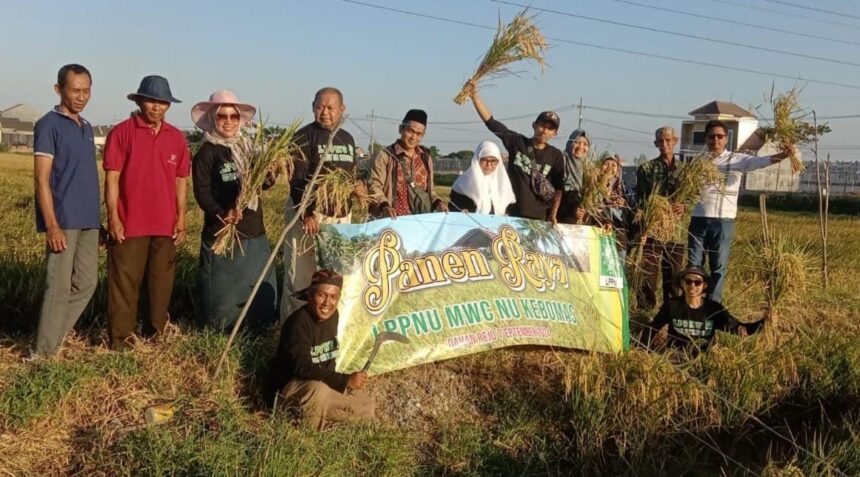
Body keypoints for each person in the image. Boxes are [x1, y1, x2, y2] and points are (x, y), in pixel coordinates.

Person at [103, 75, 190, 350]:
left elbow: (180, 181)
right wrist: (114, 217)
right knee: (124, 284)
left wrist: (182, 218)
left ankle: (156, 334)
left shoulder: (176, 138)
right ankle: (121, 340)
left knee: (160, 284)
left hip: (165, 225)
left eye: (163, 102)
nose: (157, 107)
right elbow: (112, 179)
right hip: (130, 223)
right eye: (152, 100)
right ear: (140, 101)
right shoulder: (122, 132)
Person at [191, 90, 277, 332]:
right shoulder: (207, 153)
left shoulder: (248, 149)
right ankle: (221, 331)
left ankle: (260, 327)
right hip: (223, 232)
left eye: (233, 116)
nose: (228, 121)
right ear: (212, 119)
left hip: (252, 229)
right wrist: (223, 212)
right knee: (223, 290)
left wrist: (270, 174)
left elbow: (262, 185)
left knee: (256, 282)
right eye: (222, 117)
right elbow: (202, 193)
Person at [31, 64, 100, 357]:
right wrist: (52, 225)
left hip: (89, 220)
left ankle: (52, 339)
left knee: (87, 284)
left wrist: (100, 221)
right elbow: (41, 179)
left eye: (86, 91)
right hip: (64, 220)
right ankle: (42, 355)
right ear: (59, 90)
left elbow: (85, 176)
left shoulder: (86, 127)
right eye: (75, 90)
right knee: (57, 288)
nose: (81, 97)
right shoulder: (48, 124)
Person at [687, 119, 793, 303]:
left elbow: (762, 161)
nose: (716, 140)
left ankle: (713, 308)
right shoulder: (697, 162)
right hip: (698, 219)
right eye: (711, 136)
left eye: (720, 136)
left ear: (726, 139)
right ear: (706, 139)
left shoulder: (737, 160)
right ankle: (693, 305)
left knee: (718, 267)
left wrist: (784, 154)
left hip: (723, 221)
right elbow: (685, 189)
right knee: (694, 266)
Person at [281, 87, 361, 320]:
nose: (324, 112)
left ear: (342, 110)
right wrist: (306, 213)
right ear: (313, 107)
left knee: (333, 277)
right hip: (309, 217)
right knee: (301, 277)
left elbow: (350, 176)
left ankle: (328, 329)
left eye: (330, 108)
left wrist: (358, 189)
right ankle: (294, 327)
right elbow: (296, 180)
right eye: (319, 107)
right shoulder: (303, 137)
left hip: (339, 219)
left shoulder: (347, 139)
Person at [265, 270, 375, 429]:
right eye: (321, 295)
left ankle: (328, 424)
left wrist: (343, 386)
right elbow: (302, 368)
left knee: (366, 404)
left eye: (333, 297)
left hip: (317, 387)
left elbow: (329, 358)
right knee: (320, 391)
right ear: (310, 295)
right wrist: (344, 380)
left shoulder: (333, 316)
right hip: (289, 390)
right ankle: (306, 440)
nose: (327, 303)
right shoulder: (298, 323)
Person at [464, 80, 565, 223]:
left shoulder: (556, 155)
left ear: (555, 133)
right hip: (512, 215)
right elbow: (492, 123)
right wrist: (474, 96)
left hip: (540, 219)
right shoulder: (517, 143)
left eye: (550, 128)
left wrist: (553, 215)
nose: (544, 130)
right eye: (542, 125)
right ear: (534, 125)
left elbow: (559, 189)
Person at [650, 266, 762, 353]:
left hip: (704, 360)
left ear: (704, 286)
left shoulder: (713, 309)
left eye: (697, 282)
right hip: (675, 359)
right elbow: (651, 330)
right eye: (688, 281)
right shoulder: (671, 306)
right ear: (682, 284)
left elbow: (740, 329)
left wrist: (766, 322)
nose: (692, 286)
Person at [635, 126, 686, 309]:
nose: (664, 144)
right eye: (660, 141)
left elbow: (693, 194)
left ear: (675, 141)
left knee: (673, 276)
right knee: (647, 274)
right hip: (653, 230)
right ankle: (644, 314)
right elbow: (640, 197)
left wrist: (684, 206)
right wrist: (654, 208)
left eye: (668, 140)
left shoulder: (685, 170)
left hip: (675, 232)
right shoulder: (647, 168)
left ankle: (671, 315)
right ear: (655, 143)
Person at [368, 109, 447, 217]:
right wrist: (384, 206)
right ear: (401, 129)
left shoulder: (426, 158)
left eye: (419, 134)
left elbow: (430, 191)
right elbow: (374, 186)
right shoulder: (386, 156)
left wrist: (439, 203)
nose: (413, 137)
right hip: (393, 221)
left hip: (421, 221)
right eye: (410, 131)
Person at [448, 140, 515, 214]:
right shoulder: (462, 184)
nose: (489, 165)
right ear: (477, 159)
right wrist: (460, 212)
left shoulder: (503, 184)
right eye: (484, 160)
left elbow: (510, 211)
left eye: (493, 161)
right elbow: (453, 209)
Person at [556, 129, 589, 224]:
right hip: (562, 220)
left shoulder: (590, 171)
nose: (581, 147)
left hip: (583, 224)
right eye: (577, 142)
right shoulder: (561, 162)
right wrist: (572, 210)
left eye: (585, 144)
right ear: (569, 144)